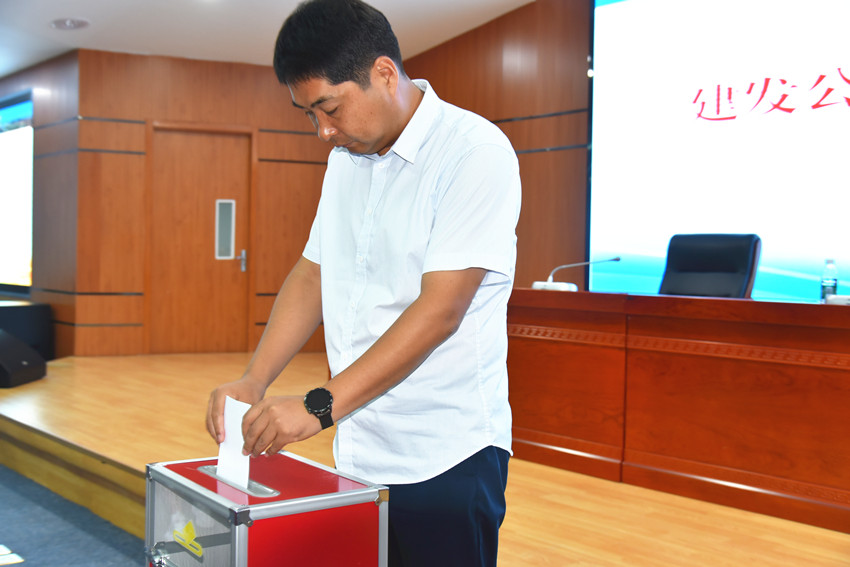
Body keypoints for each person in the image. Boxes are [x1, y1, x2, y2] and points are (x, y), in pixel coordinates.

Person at [205, 0, 521, 564]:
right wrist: (255, 379)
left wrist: (318, 406)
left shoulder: (474, 152)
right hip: (360, 445)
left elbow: (440, 311)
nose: (323, 132)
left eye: (329, 108)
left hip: (445, 454)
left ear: (384, 73)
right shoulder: (346, 160)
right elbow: (313, 273)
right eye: (309, 115)